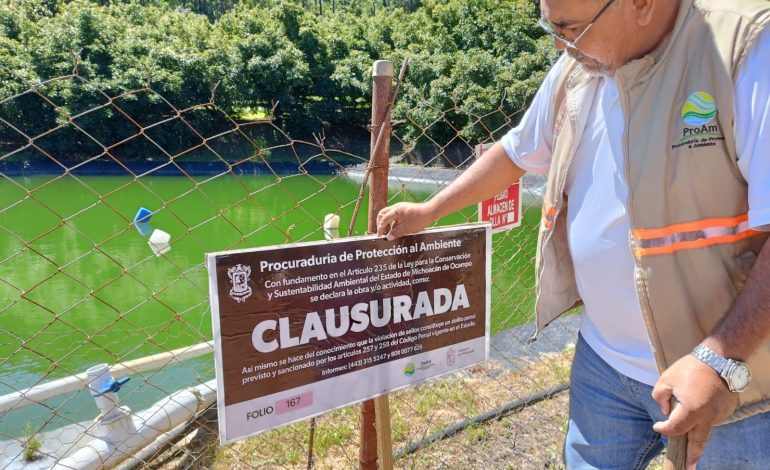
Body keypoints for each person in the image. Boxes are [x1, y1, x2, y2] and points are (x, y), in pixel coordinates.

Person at [376, 0, 770, 468]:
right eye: (551, 25)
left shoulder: (745, 50)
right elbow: (517, 151)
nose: (559, 42)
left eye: (569, 27)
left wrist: (719, 362)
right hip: (602, 363)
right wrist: (429, 210)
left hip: (730, 383)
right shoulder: (580, 67)